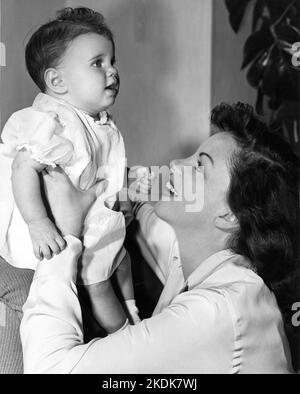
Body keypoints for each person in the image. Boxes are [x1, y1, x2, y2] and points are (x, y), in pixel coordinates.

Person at [21, 103, 299, 373]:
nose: (176, 163)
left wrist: (65, 235)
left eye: (200, 167)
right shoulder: (202, 257)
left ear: (229, 217)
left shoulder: (217, 313)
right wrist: (117, 191)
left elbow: (48, 369)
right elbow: (141, 206)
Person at [0, 6, 140, 348]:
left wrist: (120, 199)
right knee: (98, 280)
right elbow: (23, 168)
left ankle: (134, 312)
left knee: (124, 258)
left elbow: (102, 174)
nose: (113, 71)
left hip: (89, 224)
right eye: (98, 63)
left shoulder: (100, 123)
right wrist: (38, 223)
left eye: (112, 61)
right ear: (57, 82)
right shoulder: (52, 119)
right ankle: (124, 339)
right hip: (46, 239)